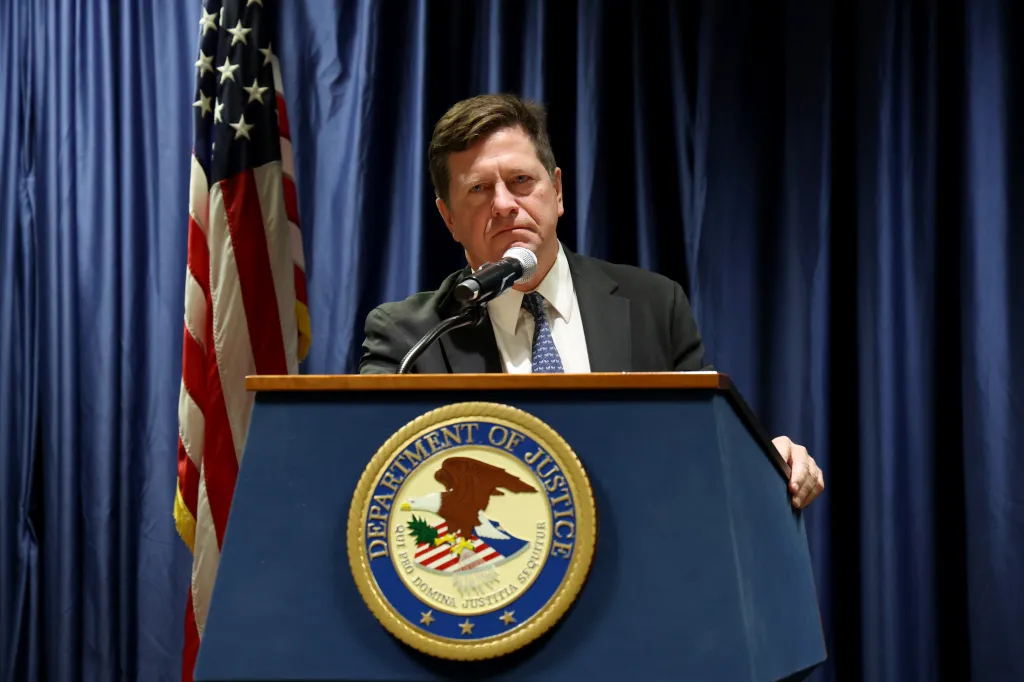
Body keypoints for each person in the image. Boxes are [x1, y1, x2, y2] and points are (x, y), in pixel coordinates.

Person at [359, 93, 824, 509]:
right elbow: (373, 472)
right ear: (448, 218)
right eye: (479, 189)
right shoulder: (409, 336)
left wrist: (771, 460)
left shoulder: (653, 305)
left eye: (521, 180)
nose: (503, 204)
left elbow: (706, 450)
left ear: (557, 191)